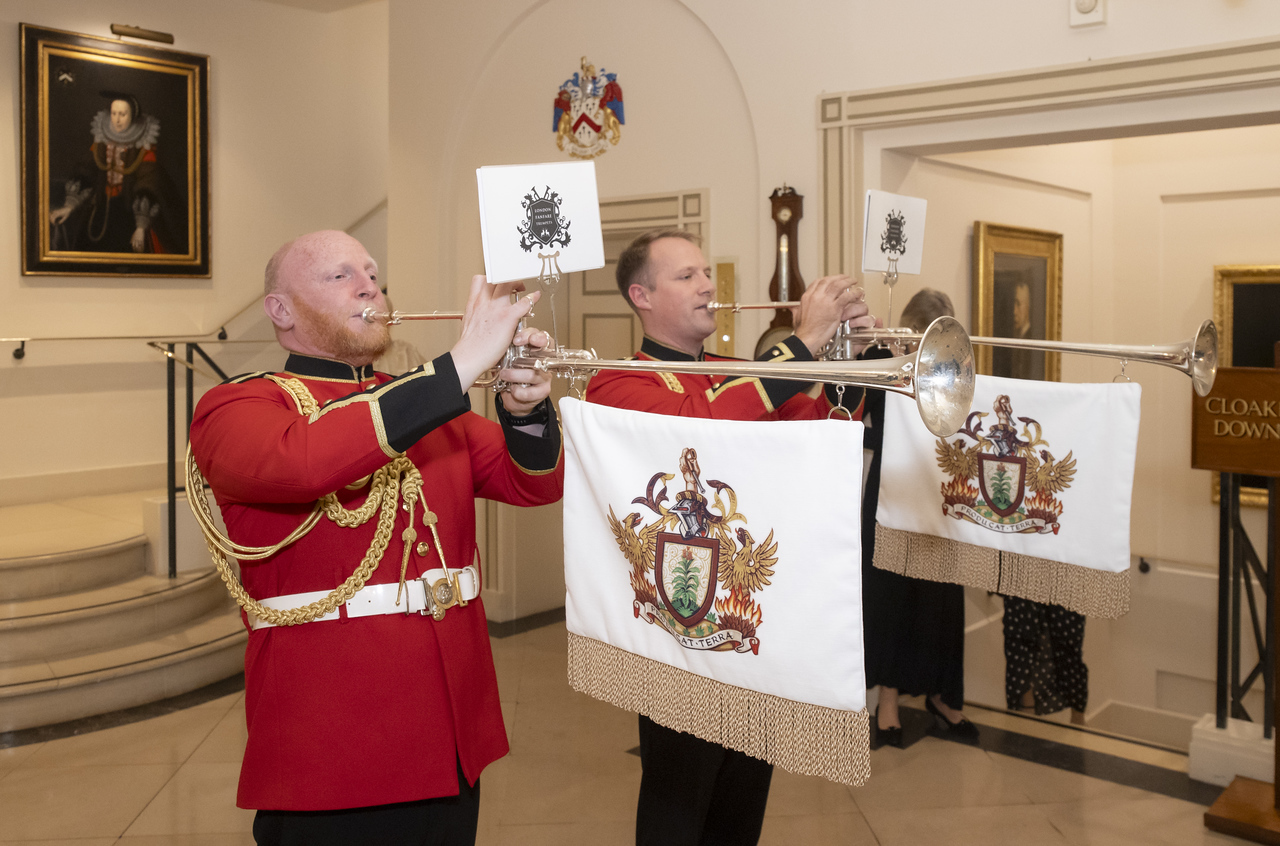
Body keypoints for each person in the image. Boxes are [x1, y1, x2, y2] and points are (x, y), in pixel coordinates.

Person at [189, 230, 564, 845]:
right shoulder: (239, 405)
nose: (370, 286)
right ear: (280, 310)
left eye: (372, 272)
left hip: (448, 734)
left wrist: (524, 409)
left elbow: (535, 486)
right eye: (340, 276)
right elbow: (306, 461)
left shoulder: (425, 402)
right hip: (330, 745)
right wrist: (461, 364)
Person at [584, 228, 874, 846]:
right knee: (678, 800)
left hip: (751, 619)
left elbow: (822, 434)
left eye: (706, 273)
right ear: (641, 295)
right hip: (676, 628)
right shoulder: (615, 382)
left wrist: (850, 360)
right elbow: (700, 426)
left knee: (743, 801)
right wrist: (802, 343)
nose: (708, 285)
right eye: (686, 276)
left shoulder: (740, 371)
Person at [860, 288, 979, 748]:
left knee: (941, 604)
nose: (920, 350)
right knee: (890, 598)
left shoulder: (956, 373)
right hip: (890, 496)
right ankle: (886, 701)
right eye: (915, 339)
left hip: (939, 498)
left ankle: (944, 696)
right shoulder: (880, 361)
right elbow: (850, 411)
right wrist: (873, 357)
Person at [49, 91, 184, 254]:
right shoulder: (102, 140)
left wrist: (141, 226)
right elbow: (87, 170)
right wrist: (69, 206)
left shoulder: (143, 145)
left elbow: (148, 180)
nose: (117, 119)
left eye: (122, 114)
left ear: (132, 116)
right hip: (100, 209)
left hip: (130, 212)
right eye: (114, 113)